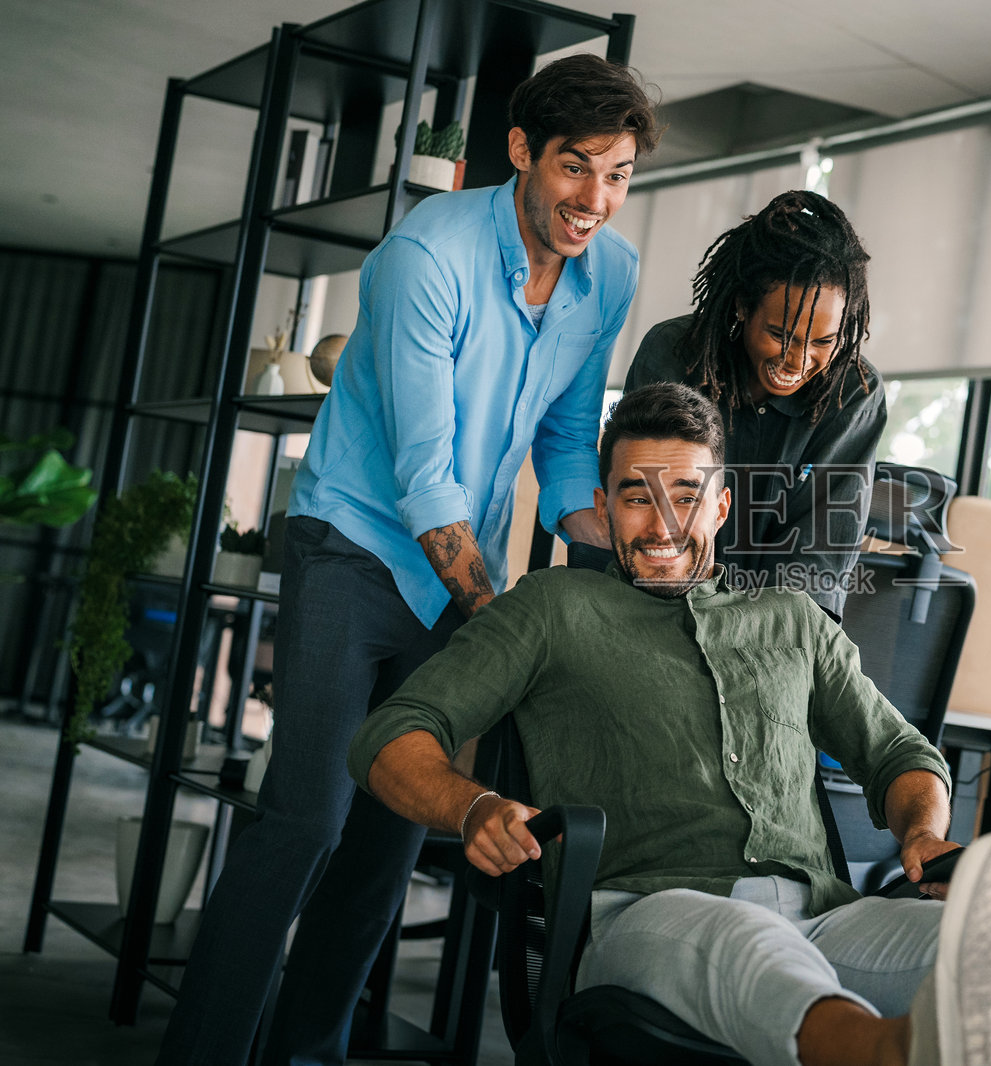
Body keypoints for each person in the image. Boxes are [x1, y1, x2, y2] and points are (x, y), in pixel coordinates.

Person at [347, 383, 991, 1066]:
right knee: (748, 950)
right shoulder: (553, 607)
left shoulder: (788, 621)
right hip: (648, 910)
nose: (662, 520)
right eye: (636, 495)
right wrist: (473, 805)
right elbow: (393, 733)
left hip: (829, 915)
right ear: (604, 502)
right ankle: (902, 1051)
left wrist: (921, 831)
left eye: (685, 495)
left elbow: (900, 751)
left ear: (721, 505)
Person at [156, 55, 660, 1066]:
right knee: (305, 818)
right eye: (575, 166)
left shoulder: (610, 273)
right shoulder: (425, 255)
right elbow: (426, 479)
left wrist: (633, 548)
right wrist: (509, 627)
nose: (595, 199)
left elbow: (566, 443)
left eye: (617, 175)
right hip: (353, 547)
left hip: (450, 581)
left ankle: (306, 1053)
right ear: (520, 151)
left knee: (388, 840)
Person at [624, 190, 885, 619]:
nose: (798, 362)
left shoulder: (853, 391)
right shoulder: (673, 355)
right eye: (781, 335)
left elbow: (820, 555)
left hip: (776, 626)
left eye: (824, 341)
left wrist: (768, 640)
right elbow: (650, 513)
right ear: (744, 306)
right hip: (659, 605)